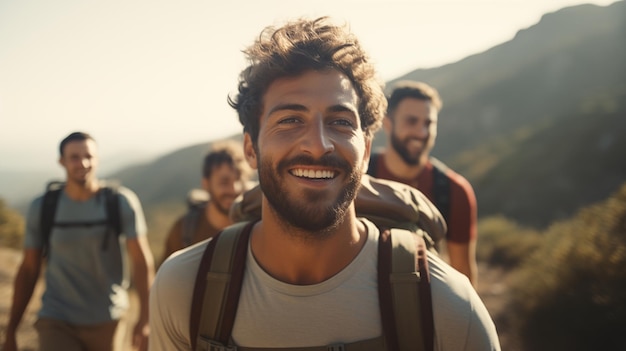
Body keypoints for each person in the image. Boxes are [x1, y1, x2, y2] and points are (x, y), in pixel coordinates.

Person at [149, 17, 500, 350]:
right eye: (289, 120)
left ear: (365, 152)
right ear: (250, 149)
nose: (317, 145)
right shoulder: (184, 290)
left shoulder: (447, 308)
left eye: (340, 121)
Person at [2, 132, 155, 351]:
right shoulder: (43, 207)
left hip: (108, 318)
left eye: (88, 156)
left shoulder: (120, 202)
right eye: (74, 157)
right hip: (56, 318)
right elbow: (28, 268)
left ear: (98, 159)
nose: (82, 163)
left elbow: (142, 261)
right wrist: (12, 329)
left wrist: (145, 319)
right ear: (61, 161)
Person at [367, 81, 479, 288]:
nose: (421, 132)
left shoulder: (454, 191)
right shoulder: (359, 178)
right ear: (388, 123)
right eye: (411, 121)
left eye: (428, 123)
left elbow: (463, 273)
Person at [161, 140, 252, 261]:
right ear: (206, 184)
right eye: (224, 182)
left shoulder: (256, 226)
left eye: (239, 180)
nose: (234, 189)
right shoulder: (184, 230)